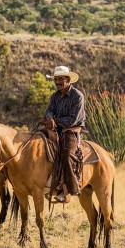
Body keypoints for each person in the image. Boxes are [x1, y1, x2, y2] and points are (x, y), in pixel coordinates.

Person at [42, 65, 85, 203]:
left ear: (68, 80)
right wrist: (49, 118)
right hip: (56, 129)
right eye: (56, 79)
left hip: (71, 131)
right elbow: (49, 110)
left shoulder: (77, 96)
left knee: (66, 155)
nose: (58, 82)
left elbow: (72, 120)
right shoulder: (55, 96)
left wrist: (55, 121)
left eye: (61, 79)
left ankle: (70, 189)